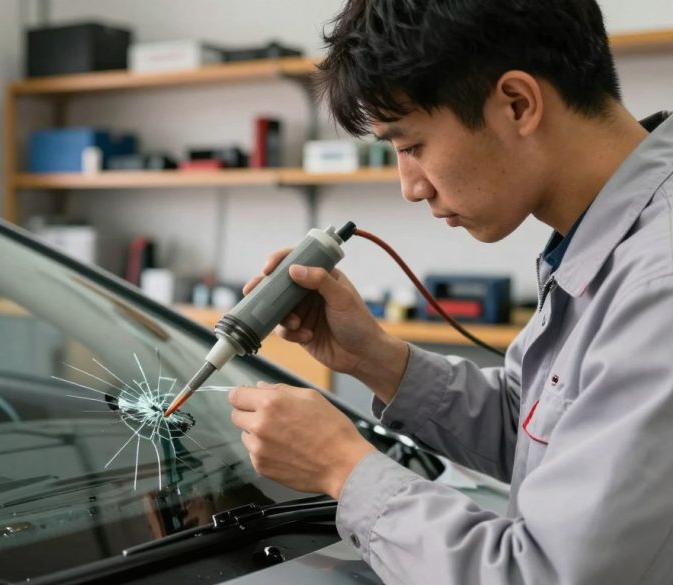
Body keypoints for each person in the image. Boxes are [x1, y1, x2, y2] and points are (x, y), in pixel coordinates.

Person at [227, 0, 673, 583]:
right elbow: (542, 431)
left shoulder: (658, 286)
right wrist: (375, 358)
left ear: (518, 103)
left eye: (410, 145)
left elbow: (543, 574)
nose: (409, 186)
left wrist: (344, 468)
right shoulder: (607, 239)